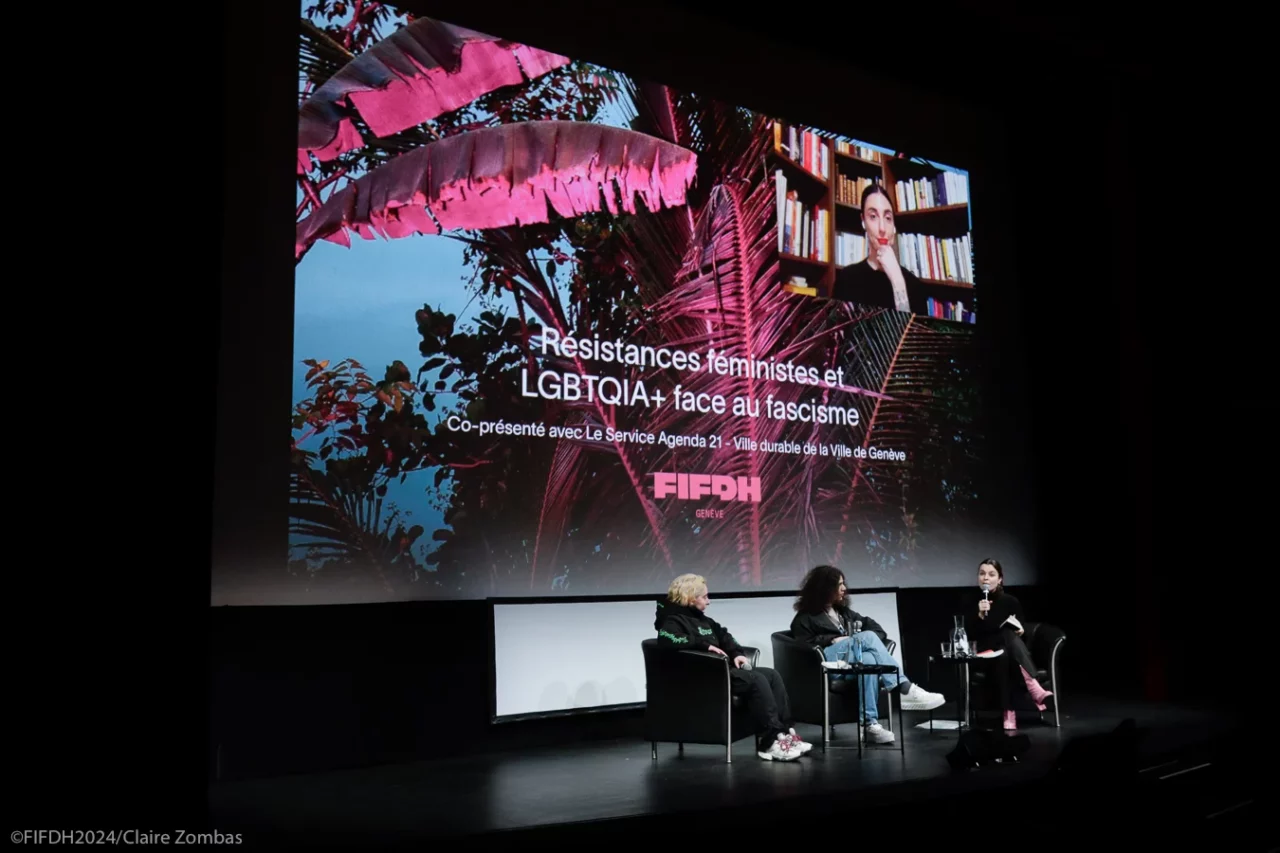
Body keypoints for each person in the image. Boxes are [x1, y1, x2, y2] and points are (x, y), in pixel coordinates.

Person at [655, 573, 810, 761]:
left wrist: (737, 654)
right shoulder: (671, 620)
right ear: (689, 597)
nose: (708, 601)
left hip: (723, 673)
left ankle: (784, 734)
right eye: (704, 597)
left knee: (771, 675)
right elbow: (667, 639)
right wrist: (705, 645)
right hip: (702, 678)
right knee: (756, 679)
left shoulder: (705, 621)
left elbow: (726, 637)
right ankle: (770, 741)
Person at [790, 565, 945, 744]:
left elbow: (878, 630)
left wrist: (858, 642)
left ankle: (869, 725)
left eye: (843, 583)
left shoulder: (843, 612)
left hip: (850, 661)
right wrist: (833, 640)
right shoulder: (804, 618)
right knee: (867, 638)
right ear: (824, 588)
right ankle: (904, 688)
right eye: (838, 585)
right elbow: (803, 649)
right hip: (827, 664)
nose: (843, 588)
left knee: (870, 659)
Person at [970, 558, 1054, 730]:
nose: (986, 578)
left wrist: (1020, 631)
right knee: (1004, 639)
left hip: (1005, 653)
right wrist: (979, 614)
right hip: (983, 654)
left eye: (991, 574)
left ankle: (1009, 712)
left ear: (1000, 579)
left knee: (1006, 647)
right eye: (982, 574)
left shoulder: (1010, 601)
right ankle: (1033, 686)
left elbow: (1020, 634)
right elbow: (967, 635)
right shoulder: (971, 601)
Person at [830, 183, 927, 315]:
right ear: (863, 221)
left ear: (894, 226)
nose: (882, 228)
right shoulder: (846, 279)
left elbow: (910, 333)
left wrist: (898, 280)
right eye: (873, 217)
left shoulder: (915, 286)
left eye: (888, 218)